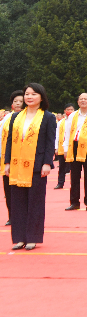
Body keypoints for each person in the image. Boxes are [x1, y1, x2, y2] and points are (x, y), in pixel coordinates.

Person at [4, 84, 56, 250]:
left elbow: (50, 142)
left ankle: (32, 237)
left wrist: (47, 163)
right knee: (17, 203)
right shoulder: (15, 117)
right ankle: (19, 238)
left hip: (37, 165)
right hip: (17, 165)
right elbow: (9, 142)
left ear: (41, 97)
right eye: (27, 94)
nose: (29, 97)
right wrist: (7, 163)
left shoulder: (48, 117)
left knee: (35, 203)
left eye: (34, 94)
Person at [63, 93, 87, 211]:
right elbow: (67, 133)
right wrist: (65, 149)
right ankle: (74, 202)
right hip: (74, 146)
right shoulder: (73, 115)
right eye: (81, 99)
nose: (83, 101)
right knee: (74, 176)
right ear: (78, 102)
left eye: (85, 99)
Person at [1, 90, 24, 226]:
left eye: (20, 102)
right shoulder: (6, 118)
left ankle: (22, 216)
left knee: (20, 190)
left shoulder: (28, 118)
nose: (18, 104)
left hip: (22, 159)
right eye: (15, 101)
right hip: (7, 159)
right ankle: (12, 216)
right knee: (8, 190)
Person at [53, 103, 74, 189]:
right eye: (68, 109)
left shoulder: (76, 120)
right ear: (64, 111)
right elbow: (57, 135)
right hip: (62, 147)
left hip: (73, 147)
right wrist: (56, 147)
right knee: (62, 167)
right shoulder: (61, 122)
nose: (69, 111)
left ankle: (74, 185)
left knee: (74, 168)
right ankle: (60, 183)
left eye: (71, 109)